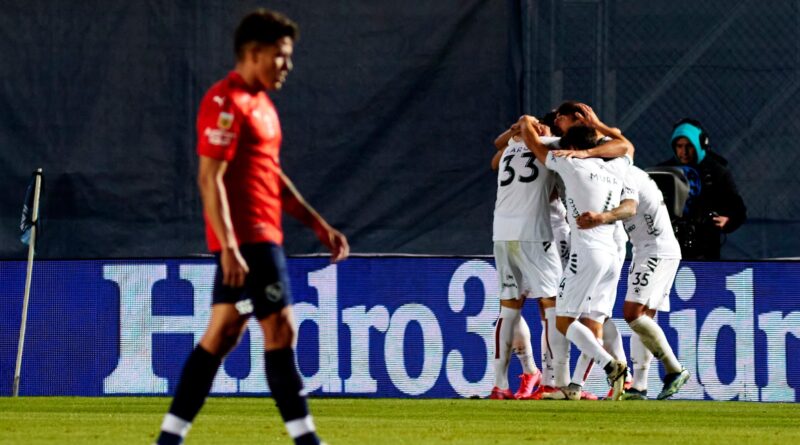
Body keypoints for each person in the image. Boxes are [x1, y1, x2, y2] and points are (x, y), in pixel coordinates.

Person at [154, 10, 348, 445]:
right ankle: (308, 440)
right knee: (280, 330)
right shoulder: (226, 102)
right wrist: (228, 246)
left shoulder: (263, 106)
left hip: (260, 235)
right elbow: (210, 179)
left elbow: (270, 176)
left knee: (223, 333)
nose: (287, 65)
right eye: (280, 55)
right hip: (248, 239)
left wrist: (318, 225)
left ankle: (168, 439)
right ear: (253, 53)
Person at [517, 104, 632, 401]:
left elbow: (534, 145)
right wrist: (598, 124)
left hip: (587, 253)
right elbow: (626, 145)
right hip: (613, 253)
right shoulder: (615, 166)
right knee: (594, 320)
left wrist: (526, 122)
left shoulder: (569, 162)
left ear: (571, 147)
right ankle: (574, 387)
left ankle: (611, 365)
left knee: (563, 319)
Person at [573, 163, 691, 400]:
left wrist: (600, 218)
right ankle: (639, 386)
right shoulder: (624, 170)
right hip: (650, 249)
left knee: (632, 313)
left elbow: (629, 208)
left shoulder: (623, 173)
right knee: (644, 318)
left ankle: (674, 369)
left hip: (655, 250)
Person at [487, 118, 560, 399]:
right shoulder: (551, 145)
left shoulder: (509, 148)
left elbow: (495, 155)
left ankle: (500, 385)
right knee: (552, 306)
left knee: (509, 309)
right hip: (533, 233)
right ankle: (554, 381)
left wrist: (517, 130)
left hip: (502, 233)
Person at [658, 118, 746, 259]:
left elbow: (738, 209)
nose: (684, 152)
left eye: (689, 146)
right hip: (669, 245)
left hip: (706, 247)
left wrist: (727, 220)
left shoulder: (717, 171)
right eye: (679, 146)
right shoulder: (663, 172)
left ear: (700, 145)